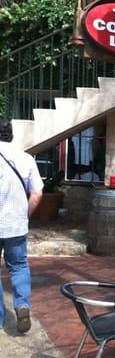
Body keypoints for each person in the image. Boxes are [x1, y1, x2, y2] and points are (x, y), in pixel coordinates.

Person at [0, 119, 43, 333]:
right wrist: (24, 216)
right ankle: (23, 305)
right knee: (18, 266)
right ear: (11, 135)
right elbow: (37, 193)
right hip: (16, 225)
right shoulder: (26, 159)